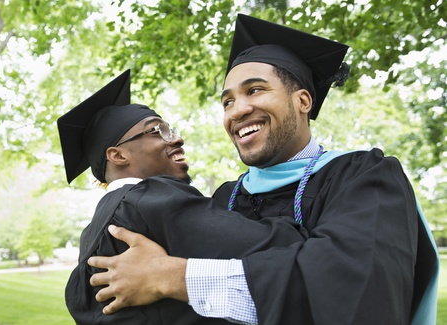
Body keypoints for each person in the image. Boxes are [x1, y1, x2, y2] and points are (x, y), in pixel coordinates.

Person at [87, 15, 439, 325]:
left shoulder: (363, 177)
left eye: (255, 90)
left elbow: (356, 295)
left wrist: (174, 277)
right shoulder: (226, 197)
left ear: (303, 101)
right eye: (227, 101)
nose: (237, 110)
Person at [58, 69, 307, 324]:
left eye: (171, 129)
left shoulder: (95, 230)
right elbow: (279, 247)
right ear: (118, 156)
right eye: (157, 131)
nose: (177, 138)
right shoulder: (150, 199)